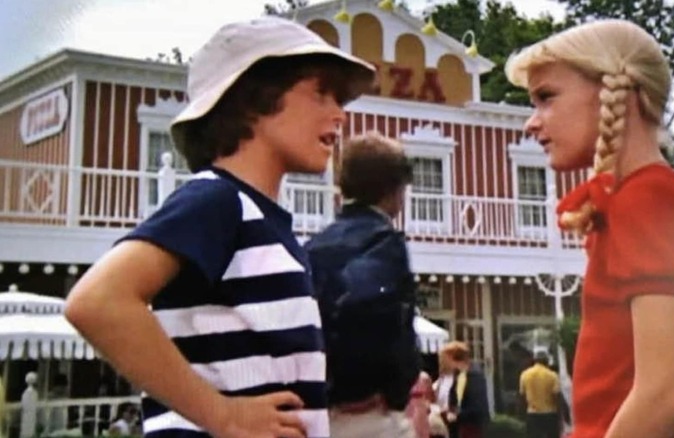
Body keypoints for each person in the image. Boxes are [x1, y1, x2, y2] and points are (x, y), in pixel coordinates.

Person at [64, 16, 375, 438]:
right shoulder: (218, 201)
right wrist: (222, 415)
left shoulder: (263, 222)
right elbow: (97, 301)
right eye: (320, 93)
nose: (340, 114)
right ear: (252, 98)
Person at [505, 19, 674, 438]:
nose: (531, 123)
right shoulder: (666, 198)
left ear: (620, 94)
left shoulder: (645, 201)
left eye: (546, 98)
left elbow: (663, 394)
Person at [305, 132, 420, 438]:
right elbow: (387, 326)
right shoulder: (383, 243)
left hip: (318, 411)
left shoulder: (313, 247)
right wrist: (394, 390)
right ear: (395, 189)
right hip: (369, 411)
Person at [442, 342, 490, 438]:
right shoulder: (459, 376)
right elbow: (457, 401)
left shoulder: (475, 377)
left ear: (452, 358)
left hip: (473, 427)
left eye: (445, 359)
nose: (444, 362)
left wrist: (457, 416)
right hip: (460, 427)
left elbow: (478, 406)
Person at [519, 352, 561, 438]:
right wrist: (560, 415)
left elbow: (522, 397)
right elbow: (557, 397)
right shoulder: (552, 375)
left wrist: (522, 415)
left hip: (532, 414)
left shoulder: (525, 375)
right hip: (550, 414)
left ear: (534, 361)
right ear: (546, 361)